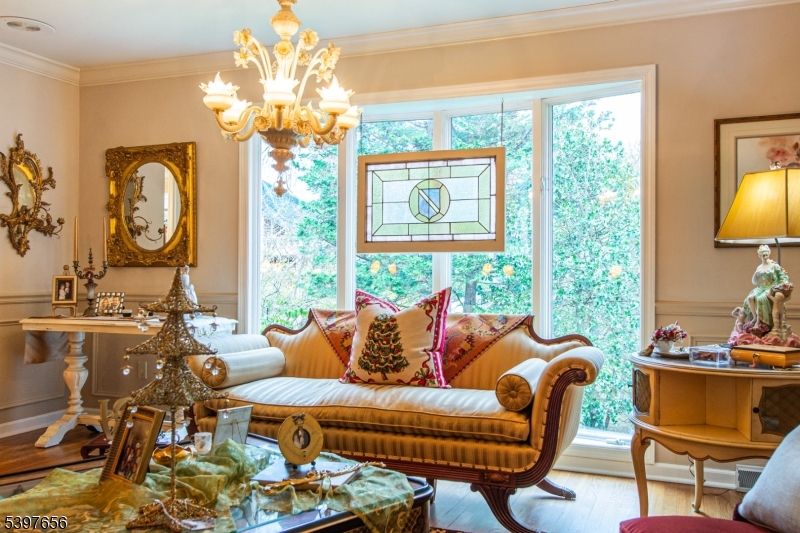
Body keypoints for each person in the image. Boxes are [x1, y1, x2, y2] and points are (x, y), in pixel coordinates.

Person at [742, 244, 792, 335]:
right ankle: (754, 317)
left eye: (766, 254)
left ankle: (760, 322)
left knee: (760, 298)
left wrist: (781, 286)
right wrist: (756, 274)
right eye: (763, 255)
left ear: (769, 254)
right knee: (750, 298)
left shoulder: (774, 266)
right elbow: (754, 282)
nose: (765, 256)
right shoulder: (759, 267)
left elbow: (783, 278)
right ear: (759, 256)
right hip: (761, 287)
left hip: (771, 287)